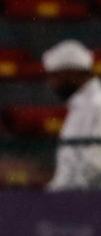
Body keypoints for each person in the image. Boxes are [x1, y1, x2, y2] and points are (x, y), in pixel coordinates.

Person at [43, 40, 101, 191]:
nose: (52, 84)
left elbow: (94, 165)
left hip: (86, 201)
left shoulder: (96, 106)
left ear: (72, 73)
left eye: (56, 76)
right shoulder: (80, 106)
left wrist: (65, 195)